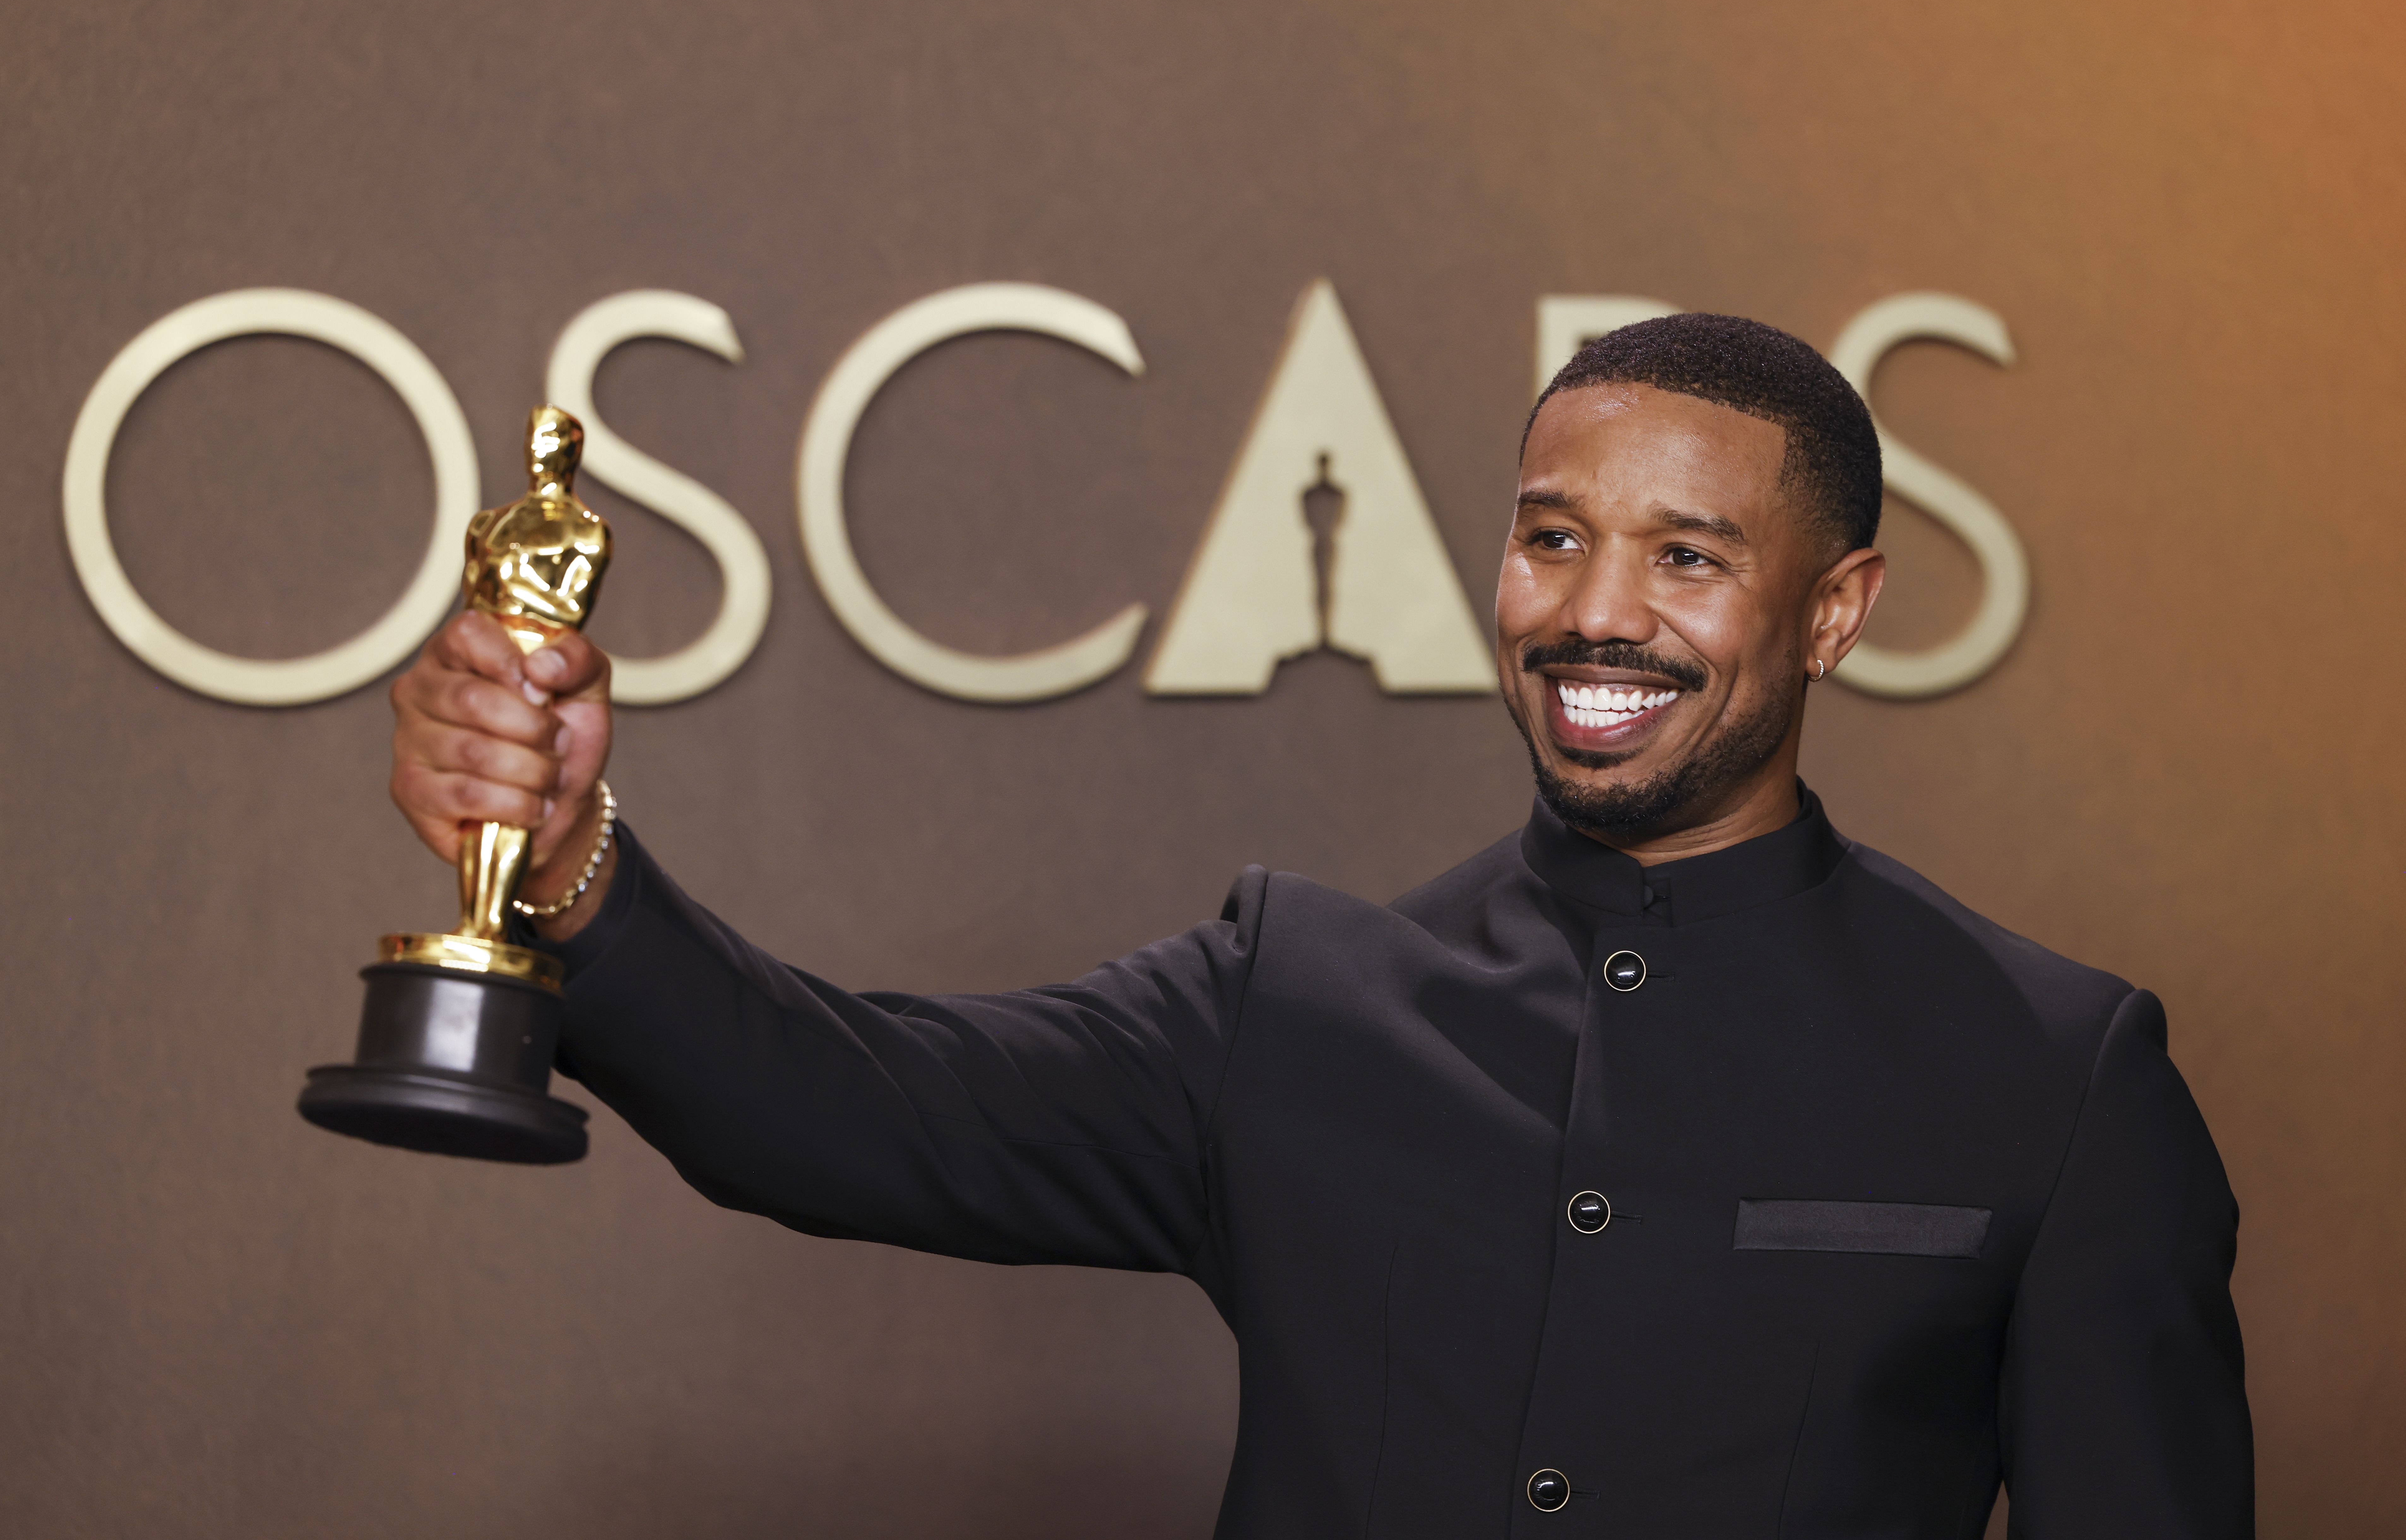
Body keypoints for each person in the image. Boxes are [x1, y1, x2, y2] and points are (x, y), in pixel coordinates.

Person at [388, 314, 2251, 1537]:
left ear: (1832, 611)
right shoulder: (1289, 1006)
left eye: (1684, 556)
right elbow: (843, 1106)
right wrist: (561, 865)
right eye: (1548, 537)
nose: (1593, 612)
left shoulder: (2054, 1073)